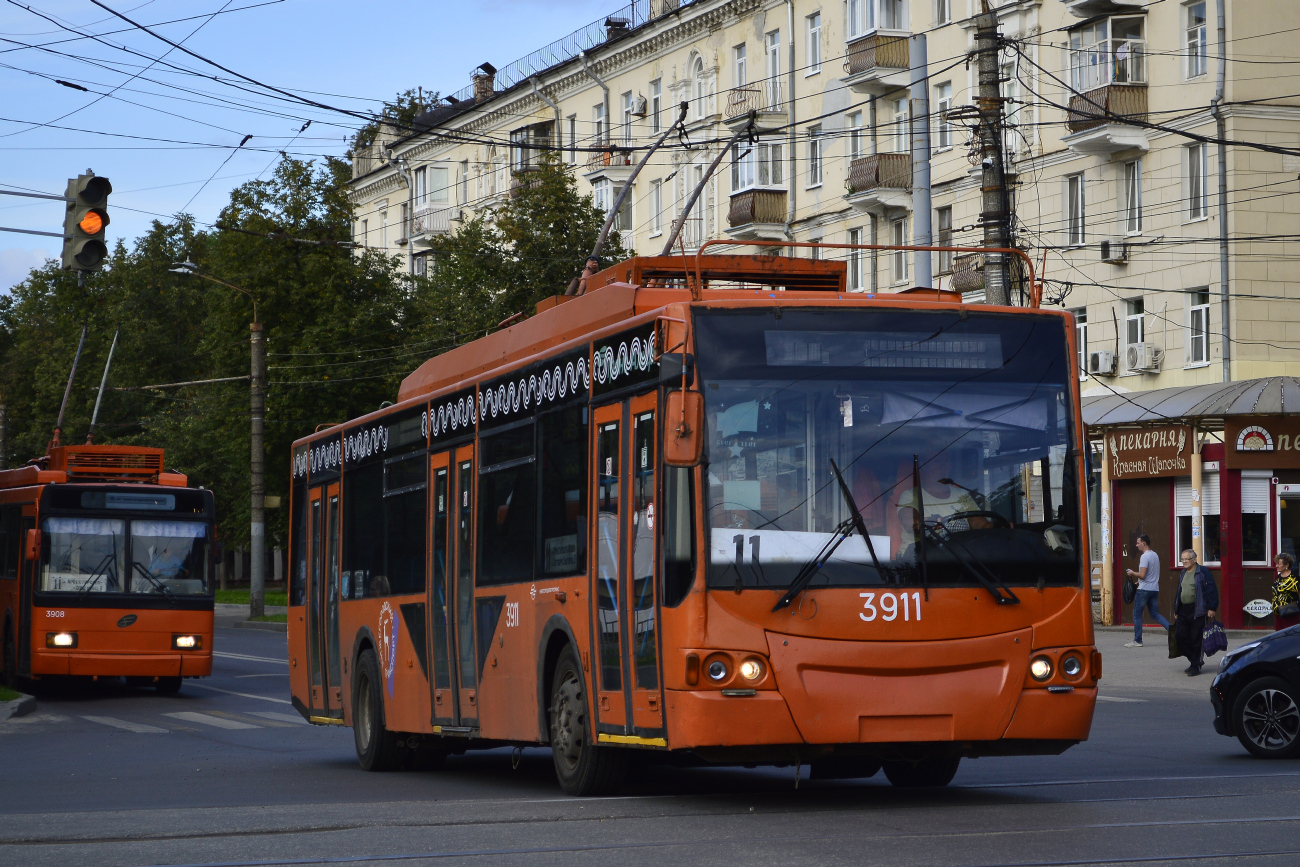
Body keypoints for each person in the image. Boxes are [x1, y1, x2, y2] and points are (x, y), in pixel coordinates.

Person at [1174, 549, 1219, 676]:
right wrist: (1176, 609)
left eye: (1187, 559)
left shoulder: (1203, 572)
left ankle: (1195, 665)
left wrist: (1212, 608)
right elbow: (1179, 592)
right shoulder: (1183, 573)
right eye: (1182, 559)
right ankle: (1194, 660)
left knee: (1196, 638)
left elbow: (1212, 590)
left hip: (1198, 609)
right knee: (1179, 635)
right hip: (1184, 609)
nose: (1184, 562)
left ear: (1194, 559)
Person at [1124, 534, 1169, 648]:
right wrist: (1138, 581)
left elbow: (1143, 575)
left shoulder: (1144, 557)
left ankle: (1137, 640)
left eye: (1138, 543)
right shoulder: (1155, 555)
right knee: (1155, 614)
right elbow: (1150, 574)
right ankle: (1175, 632)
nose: (1136, 545)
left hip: (1144, 590)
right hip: (1154, 589)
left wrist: (1132, 573)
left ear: (1144, 544)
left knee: (1137, 615)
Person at [1271, 552, 1300, 631]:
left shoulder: (1294, 578)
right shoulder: (1279, 577)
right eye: (1276, 563)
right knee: (1279, 637)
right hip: (1278, 613)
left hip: (1290, 613)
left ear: (1286, 565)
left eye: (1279, 564)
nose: (1276, 566)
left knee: (1290, 637)